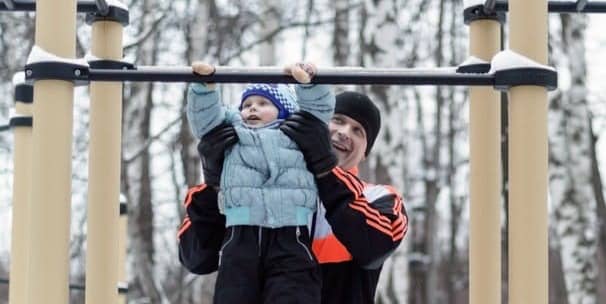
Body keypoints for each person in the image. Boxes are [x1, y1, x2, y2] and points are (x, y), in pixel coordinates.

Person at [178, 88, 408, 304]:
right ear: (315, 123)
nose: (344, 132)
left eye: (359, 131)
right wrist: (215, 184)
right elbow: (196, 258)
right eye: (338, 120)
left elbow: (373, 249)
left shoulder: (378, 197)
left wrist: (326, 170)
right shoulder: (257, 187)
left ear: (365, 153)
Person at [183, 61, 335, 304]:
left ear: (284, 110)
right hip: (240, 234)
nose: (252, 109)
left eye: (263, 104)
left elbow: (319, 111)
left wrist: (307, 85)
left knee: (293, 290)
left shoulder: (294, 134)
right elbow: (205, 121)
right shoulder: (234, 133)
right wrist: (205, 88)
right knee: (235, 291)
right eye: (247, 105)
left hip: (290, 233)